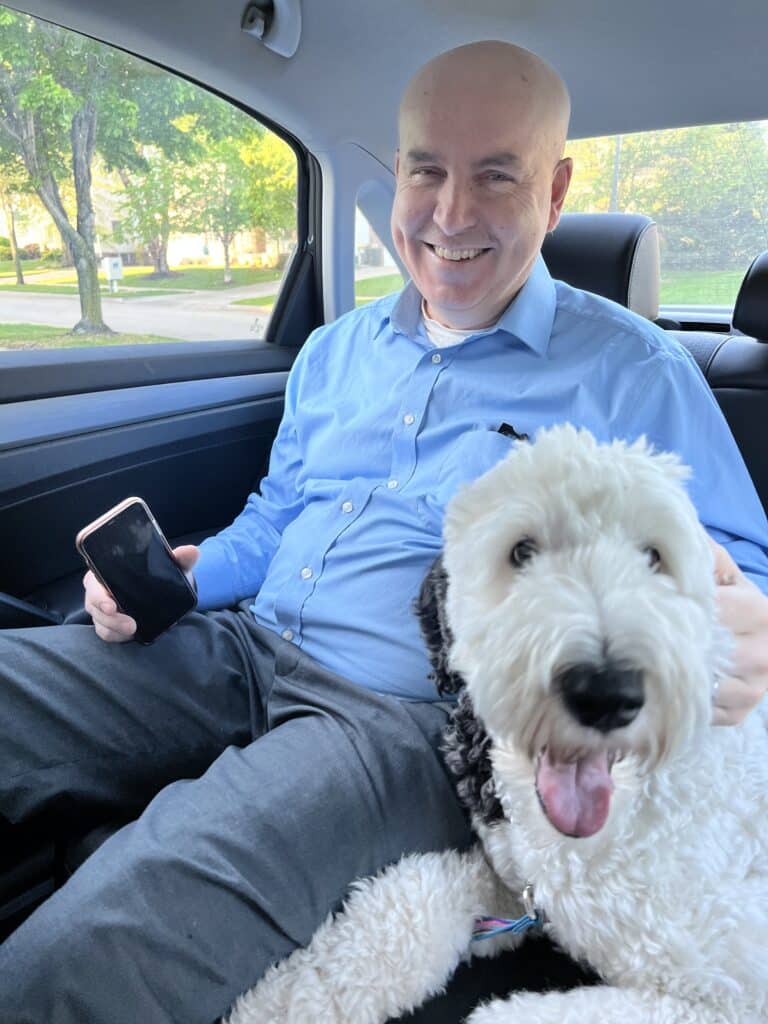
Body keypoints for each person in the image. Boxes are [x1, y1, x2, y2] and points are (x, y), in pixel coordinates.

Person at [1, 40, 767, 1024]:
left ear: (558, 189)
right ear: (397, 174)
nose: (451, 213)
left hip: (397, 718)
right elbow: (277, 513)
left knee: (89, 947)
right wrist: (194, 574)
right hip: (232, 643)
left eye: (497, 174)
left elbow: (737, 573)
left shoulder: (635, 371)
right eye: (426, 169)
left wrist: (726, 627)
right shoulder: (333, 351)